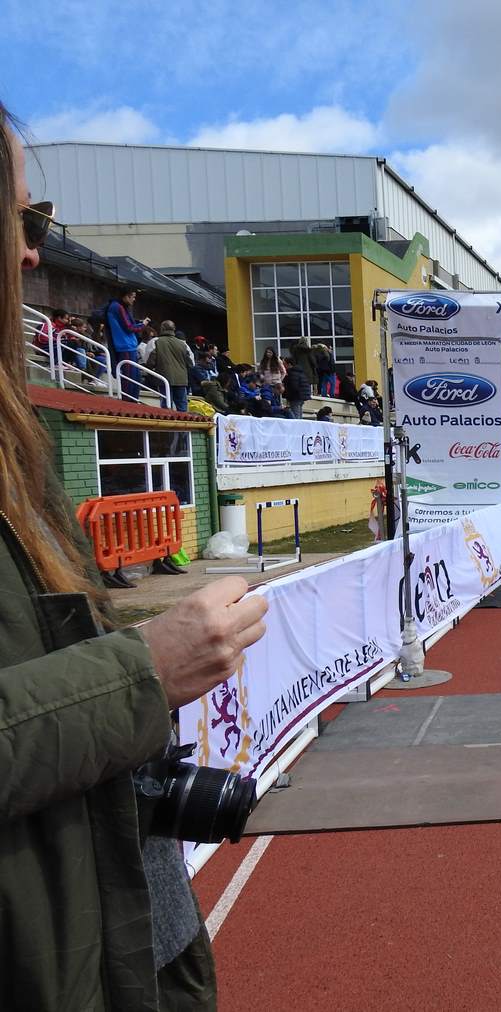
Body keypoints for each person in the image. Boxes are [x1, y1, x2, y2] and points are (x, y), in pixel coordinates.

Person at [2, 105, 270, 1007]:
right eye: (26, 221)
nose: (34, 254)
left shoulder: (19, 445)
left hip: (115, 931)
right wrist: (141, 676)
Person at [104, 285, 148, 401]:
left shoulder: (119, 307)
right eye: (133, 297)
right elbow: (129, 327)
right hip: (125, 347)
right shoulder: (117, 307)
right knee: (129, 378)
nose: (134, 299)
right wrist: (143, 325)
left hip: (129, 346)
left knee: (136, 377)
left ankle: (133, 401)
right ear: (126, 296)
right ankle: (128, 402)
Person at [149, 326, 193, 413]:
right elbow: (190, 363)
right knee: (182, 406)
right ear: (173, 330)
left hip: (164, 378)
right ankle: (183, 424)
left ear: (162, 329)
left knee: (166, 406)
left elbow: (151, 362)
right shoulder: (182, 344)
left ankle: (168, 424)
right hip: (181, 379)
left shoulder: (157, 342)